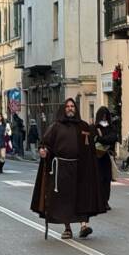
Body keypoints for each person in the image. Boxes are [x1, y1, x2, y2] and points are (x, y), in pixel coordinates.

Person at [30, 98, 102, 240]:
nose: (70, 108)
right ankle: (67, 228)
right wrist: (44, 151)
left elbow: (91, 147)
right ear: (64, 109)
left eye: (72, 106)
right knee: (65, 199)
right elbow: (46, 143)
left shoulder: (83, 126)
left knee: (82, 196)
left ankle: (83, 226)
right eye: (68, 106)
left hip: (80, 167)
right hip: (62, 168)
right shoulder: (56, 126)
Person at [94, 106, 117, 212]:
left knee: (106, 180)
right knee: (97, 180)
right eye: (102, 115)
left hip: (106, 156)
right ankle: (98, 201)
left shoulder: (111, 127)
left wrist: (100, 139)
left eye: (105, 115)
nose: (104, 117)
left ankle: (105, 201)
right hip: (96, 157)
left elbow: (112, 138)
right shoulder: (94, 127)